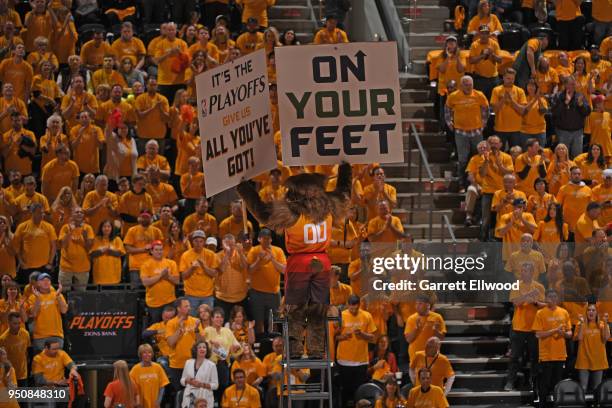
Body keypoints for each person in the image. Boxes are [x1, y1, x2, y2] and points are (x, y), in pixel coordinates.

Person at [505, 262, 545, 390]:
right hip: (518, 327)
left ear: (532, 272)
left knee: (534, 357)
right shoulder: (516, 286)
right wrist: (528, 296)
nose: (522, 273)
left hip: (534, 328)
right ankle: (510, 381)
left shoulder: (539, 287)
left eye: (525, 271)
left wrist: (535, 302)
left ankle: (533, 382)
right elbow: (515, 302)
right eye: (521, 271)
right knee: (514, 357)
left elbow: (544, 305)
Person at [445, 75, 490, 180]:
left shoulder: (479, 95)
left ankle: (478, 181)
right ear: (461, 85)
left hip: (477, 131)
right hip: (461, 132)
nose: (468, 87)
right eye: (466, 85)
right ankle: (462, 182)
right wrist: (449, 122)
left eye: (470, 85)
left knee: (479, 156)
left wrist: (484, 122)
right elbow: (447, 109)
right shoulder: (453, 96)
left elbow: (486, 108)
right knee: (463, 158)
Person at [532, 289, 572, 406]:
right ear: (546, 299)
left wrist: (563, 334)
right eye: (550, 297)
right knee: (544, 384)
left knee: (557, 384)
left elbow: (569, 334)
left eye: (555, 297)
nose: (553, 299)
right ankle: (542, 404)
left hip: (560, 355)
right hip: (546, 355)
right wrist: (554, 331)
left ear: (558, 299)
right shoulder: (540, 313)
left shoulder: (564, 312)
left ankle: (557, 405)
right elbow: (538, 334)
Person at [336, 295, 377, 406]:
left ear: (359, 305)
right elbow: (334, 337)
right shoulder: (341, 316)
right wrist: (344, 336)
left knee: (359, 392)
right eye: (351, 308)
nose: (353, 311)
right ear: (348, 305)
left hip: (361, 361)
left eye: (356, 308)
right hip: (344, 360)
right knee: (345, 391)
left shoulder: (366, 315)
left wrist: (362, 334)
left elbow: (373, 338)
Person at [246, 228, 285, 334]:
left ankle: (274, 343)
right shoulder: (254, 251)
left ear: (271, 240)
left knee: (274, 322)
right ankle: (263, 346)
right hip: (257, 293)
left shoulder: (278, 251)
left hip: (274, 293)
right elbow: (249, 270)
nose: (266, 241)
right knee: (259, 322)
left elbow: (284, 270)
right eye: (264, 238)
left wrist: (273, 259)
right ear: (259, 239)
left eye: (268, 238)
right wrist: (259, 260)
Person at [165, 297, 204, 392]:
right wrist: (179, 329)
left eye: (189, 306)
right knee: (179, 394)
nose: (189, 308)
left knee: (194, 393)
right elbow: (170, 343)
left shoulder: (195, 321)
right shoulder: (171, 323)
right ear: (179, 308)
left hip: (193, 364)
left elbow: (202, 342)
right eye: (186, 306)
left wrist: (196, 330)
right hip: (177, 365)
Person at [203, 308, 242, 400]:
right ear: (212, 319)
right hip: (210, 365)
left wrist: (235, 347)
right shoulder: (207, 330)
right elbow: (203, 345)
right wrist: (211, 343)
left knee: (223, 392)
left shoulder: (227, 331)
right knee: (210, 392)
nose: (219, 319)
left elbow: (237, 347)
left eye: (221, 318)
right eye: (217, 317)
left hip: (223, 365)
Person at [13, 203, 56, 283]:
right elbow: (16, 246)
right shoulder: (22, 226)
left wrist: (50, 263)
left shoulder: (49, 227)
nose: (42, 215)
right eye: (39, 212)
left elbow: (53, 246)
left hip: (44, 267)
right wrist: (21, 262)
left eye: (42, 212)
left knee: (43, 289)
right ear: (31, 213)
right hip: (27, 267)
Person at [550, 76, 591, 159]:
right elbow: (554, 113)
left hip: (577, 132)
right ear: (565, 85)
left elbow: (587, 112)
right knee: (563, 157)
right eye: (569, 84)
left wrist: (581, 105)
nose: (571, 87)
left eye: (573, 84)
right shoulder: (558, 96)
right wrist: (565, 102)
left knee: (577, 157)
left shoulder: (580, 96)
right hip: (562, 132)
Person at [179, 230, 220, 311]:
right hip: (190, 295)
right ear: (192, 242)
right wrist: (192, 268)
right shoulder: (185, 255)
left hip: (207, 295)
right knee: (192, 321)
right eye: (196, 241)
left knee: (207, 320)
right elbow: (183, 276)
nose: (198, 243)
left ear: (204, 242)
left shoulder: (211, 255)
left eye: (201, 241)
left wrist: (204, 266)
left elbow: (214, 274)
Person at [141, 240, 180, 324]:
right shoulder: (146, 264)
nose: (159, 252)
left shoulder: (171, 263)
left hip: (170, 301)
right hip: (154, 304)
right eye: (156, 250)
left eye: (161, 249)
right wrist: (160, 276)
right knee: (156, 328)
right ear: (151, 251)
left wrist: (168, 276)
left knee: (171, 326)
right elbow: (145, 282)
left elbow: (177, 281)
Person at [58, 206, 94, 291]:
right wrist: (70, 232)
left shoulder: (88, 228)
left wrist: (85, 237)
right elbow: (62, 245)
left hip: (83, 267)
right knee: (64, 294)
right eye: (77, 212)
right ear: (72, 215)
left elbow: (89, 247)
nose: (79, 214)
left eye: (81, 212)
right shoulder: (65, 227)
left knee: (80, 296)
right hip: (66, 267)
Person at [575, 303, 609, 392]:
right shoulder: (580, 324)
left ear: (597, 312)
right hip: (584, 360)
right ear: (585, 312)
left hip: (598, 360)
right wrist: (582, 324)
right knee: (583, 388)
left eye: (593, 310)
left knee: (597, 389)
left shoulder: (602, 324)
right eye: (589, 310)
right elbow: (579, 338)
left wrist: (605, 323)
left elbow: (606, 338)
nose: (591, 312)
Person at [491, 68, 527, 149]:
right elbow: (494, 110)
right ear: (503, 78)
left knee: (515, 153)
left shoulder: (520, 91)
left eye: (512, 79)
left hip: (516, 129)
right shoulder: (496, 90)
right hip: (500, 129)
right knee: (498, 153)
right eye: (508, 78)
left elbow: (522, 111)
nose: (510, 81)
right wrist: (503, 99)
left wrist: (512, 101)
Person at [129, 344, 170, 408]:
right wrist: (136, 402)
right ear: (140, 355)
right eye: (144, 353)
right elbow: (130, 387)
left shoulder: (158, 367)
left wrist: (158, 401)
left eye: (149, 352)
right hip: (141, 405)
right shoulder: (135, 369)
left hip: (155, 404)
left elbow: (162, 387)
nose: (147, 355)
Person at [556, 167, 593, 237]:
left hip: (583, 225)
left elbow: (591, 208)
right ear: (570, 175)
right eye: (574, 174)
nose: (577, 176)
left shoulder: (588, 190)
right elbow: (558, 206)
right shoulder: (563, 189)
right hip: (568, 226)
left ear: (581, 175)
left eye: (579, 174)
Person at [181, 341, 218, 408]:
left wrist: (201, 384)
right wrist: (188, 381)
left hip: (204, 396)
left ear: (207, 350)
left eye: (204, 347)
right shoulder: (188, 362)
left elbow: (215, 385)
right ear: (195, 350)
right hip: (189, 397)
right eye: (199, 347)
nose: (202, 349)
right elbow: (182, 380)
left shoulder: (212, 365)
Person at [468, 25, 501, 99]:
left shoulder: (494, 44)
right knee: (479, 102)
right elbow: (471, 61)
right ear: (479, 34)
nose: (484, 35)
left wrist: (492, 54)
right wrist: (483, 56)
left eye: (486, 33)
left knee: (493, 102)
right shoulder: (474, 45)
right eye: (482, 33)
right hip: (480, 79)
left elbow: (500, 60)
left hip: (493, 78)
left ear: (489, 34)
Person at [0, 312, 30, 387]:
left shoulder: (25, 334)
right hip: (10, 374)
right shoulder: (3, 339)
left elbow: (28, 351)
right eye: (15, 323)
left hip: (23, 374)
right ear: (9, 323)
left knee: (23, 398)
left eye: (19, 323)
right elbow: (3, 359)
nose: (18, 326)